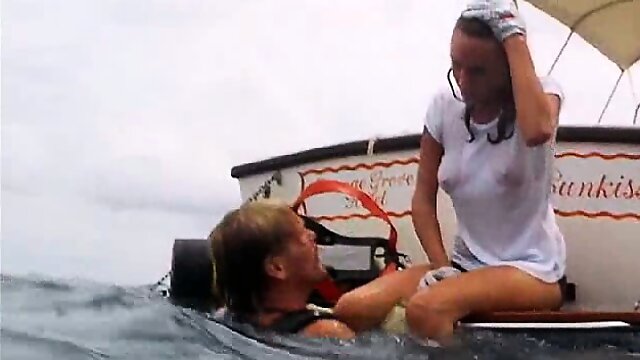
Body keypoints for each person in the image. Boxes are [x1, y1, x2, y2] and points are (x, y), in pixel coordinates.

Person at [333, 0, 567, 342]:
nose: (463, 80)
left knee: (426, 310)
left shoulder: (543, 93)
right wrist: (442, 267)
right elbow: (423, 201)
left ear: (508, 68)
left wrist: (512, 34)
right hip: (461, 264)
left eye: (478, 71)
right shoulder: (445, 106)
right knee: (350, 308)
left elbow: (537, 130)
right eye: (456, 66)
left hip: (531, 270)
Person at [209, 199, 355, 339]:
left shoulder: (222, 320)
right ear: (277, 267)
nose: (313, 235)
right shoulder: (327, 332)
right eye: (303, 236)